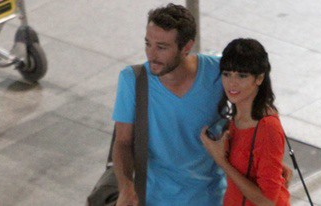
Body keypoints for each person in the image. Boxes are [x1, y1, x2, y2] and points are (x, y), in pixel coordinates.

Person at [112, 3, 291, 206]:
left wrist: (269, 158)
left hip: (212, 198)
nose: (151, 54)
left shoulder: (219, 73)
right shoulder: (132, 80)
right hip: (155, 199)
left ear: (186, 47)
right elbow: (123, 142)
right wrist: (126, 186)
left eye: (162, 47)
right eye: (148, 43)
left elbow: (255, 106)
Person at [200, 38, 291, 206]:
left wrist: (221, 161)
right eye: (227, 74)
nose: (232, 83)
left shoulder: (267, 126)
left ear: (259, 78)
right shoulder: (237, 113)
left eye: (242, 76)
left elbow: (267, 201)